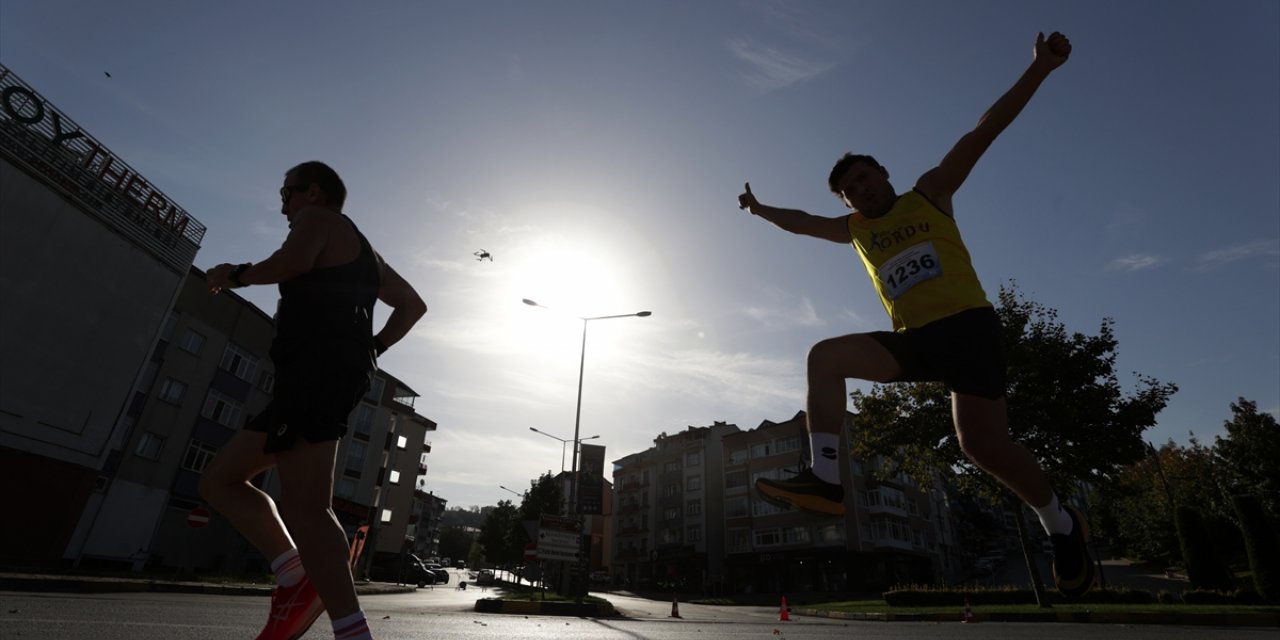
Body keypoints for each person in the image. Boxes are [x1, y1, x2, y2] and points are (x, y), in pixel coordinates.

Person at [736, 32, 1095, 598]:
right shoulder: (855, 231)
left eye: (866, 177)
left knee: (980, 446)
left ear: (883, 172)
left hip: (970, 328)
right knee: (825, 357)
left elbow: (985, 130)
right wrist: (759, 210)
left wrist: (1039, 69)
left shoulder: (930, 192)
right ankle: (826, 481)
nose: (862, 189)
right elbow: (803, 221)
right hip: (917, 340)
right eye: (851, 189)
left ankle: (1061, 523)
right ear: (848, 203)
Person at [201, 161, 427, 639]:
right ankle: (293, 573)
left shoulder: (318, 220)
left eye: (288, 194)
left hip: (315, 373)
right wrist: (373, 348)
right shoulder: (369, 254)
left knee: (307, 507)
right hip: (321, 376)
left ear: (314, 192)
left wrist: (233, 274)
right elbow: (412, 305)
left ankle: (346, 625)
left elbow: (292, 263)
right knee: (220, 480)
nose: (283, 206)